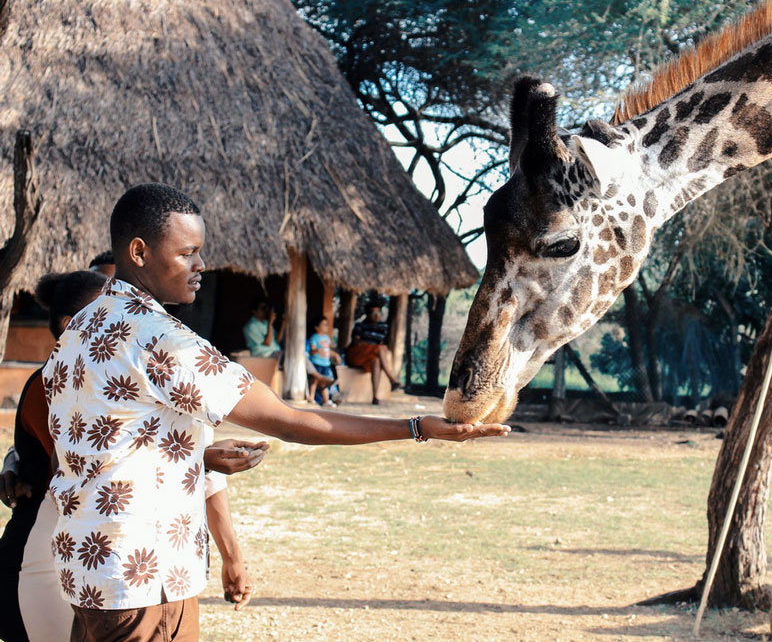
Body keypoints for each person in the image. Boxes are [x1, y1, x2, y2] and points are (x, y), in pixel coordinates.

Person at [42, 183, 508, 640]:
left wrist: (197, 458)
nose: (201, 264)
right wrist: (416, 427)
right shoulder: (159, 339)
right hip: (145, 575)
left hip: (88, 566)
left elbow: (109, 444)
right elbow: (290, 421)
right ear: (139, 252)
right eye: (187, 253)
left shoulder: (81, 328)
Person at [0, 269, 267, 642]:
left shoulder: (143, 370)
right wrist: (201, 458)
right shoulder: (60, 382)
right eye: (106, 307)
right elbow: (95, 464)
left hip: (124, 564)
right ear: (71, 324)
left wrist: (233, 556)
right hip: (48, 560)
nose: (123, 315)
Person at [345, 299, 402, 405]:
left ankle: (375, 397)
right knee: (380, 348)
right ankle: (392, 379)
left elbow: (383, 342)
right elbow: (356, 342)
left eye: (378, 312)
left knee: (376, 361)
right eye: (373, 313)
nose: (376, 315)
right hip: (357, 355)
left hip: (370, 356)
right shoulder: (360, 326)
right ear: (367, 314)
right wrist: (373, 346)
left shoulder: (383, 327)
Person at [307, 316, 340, 406]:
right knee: (314, 380)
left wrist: (336, 355)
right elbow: (312, 351)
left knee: (324, 383)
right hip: (317, 363)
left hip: (326, 364)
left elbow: (328, 350)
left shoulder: (326, 337)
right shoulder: (314, 337)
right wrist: (317, 350)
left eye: (327, 324)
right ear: (317, 327)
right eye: (324, 324)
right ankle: (311, 398)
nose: (327, 326)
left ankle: (326, 401)